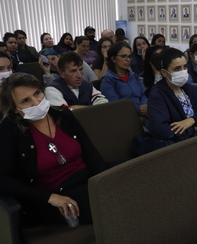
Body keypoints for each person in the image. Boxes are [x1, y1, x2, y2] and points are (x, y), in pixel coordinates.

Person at [0, 72, 107, 226]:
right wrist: (50, 197)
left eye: (37, 93)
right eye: (25, 101)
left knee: (133, 174)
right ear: (15, 109)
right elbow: (3, 180)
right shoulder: (9, 130)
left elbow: (90, 152)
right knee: (114, 201)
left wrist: (104, 180)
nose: (36, 102)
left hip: (88, 178)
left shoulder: (61, 114)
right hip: (53, 196)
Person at [147, 47, 197, 142]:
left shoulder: (191, 89)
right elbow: (161, 131)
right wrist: (194, 129)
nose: (183, 72)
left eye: (185, 67)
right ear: (164, 73)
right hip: (181, 146)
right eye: (177, 69)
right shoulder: (157, 95)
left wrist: (192, 120)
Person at [100, 42, 148, 118]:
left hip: (144, 114)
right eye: (123, 56)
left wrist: (145, 107)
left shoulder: (133, 75)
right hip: (124, 117)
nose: (128, 60)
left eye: (129, 56)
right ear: (113, 59)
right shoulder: (108, 80)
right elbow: (115, 105)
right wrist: (138, 109)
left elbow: (144, 95)